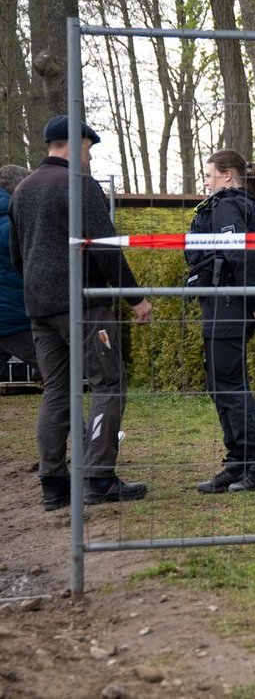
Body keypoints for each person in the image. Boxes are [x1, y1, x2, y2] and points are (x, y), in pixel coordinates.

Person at [9, 116, 153, 510]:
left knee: (57, 390)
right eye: (89, 147)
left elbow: (18, 255)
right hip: (84, 305)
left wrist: (40, 292)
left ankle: (53, 484)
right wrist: (136, 298)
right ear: (74, 143)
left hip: (40, 308)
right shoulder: (80, 185)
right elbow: (105, 247)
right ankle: (98, 477)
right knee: (108, 385)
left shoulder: (22, 189)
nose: (90, 155)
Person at [186, 150, 255, 494]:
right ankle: (239, 462)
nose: (206, 182)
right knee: (221, 382)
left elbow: (239, 254)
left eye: (209, 174)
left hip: (228, 301)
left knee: (228, 383)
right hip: (228, 300)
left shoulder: (228, 204)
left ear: (228, 175)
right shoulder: (246, 205)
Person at [0, 164, 39, 376]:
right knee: (59, 371)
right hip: (13, 318)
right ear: (17, 188)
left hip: (9, 315)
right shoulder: (13, 222)